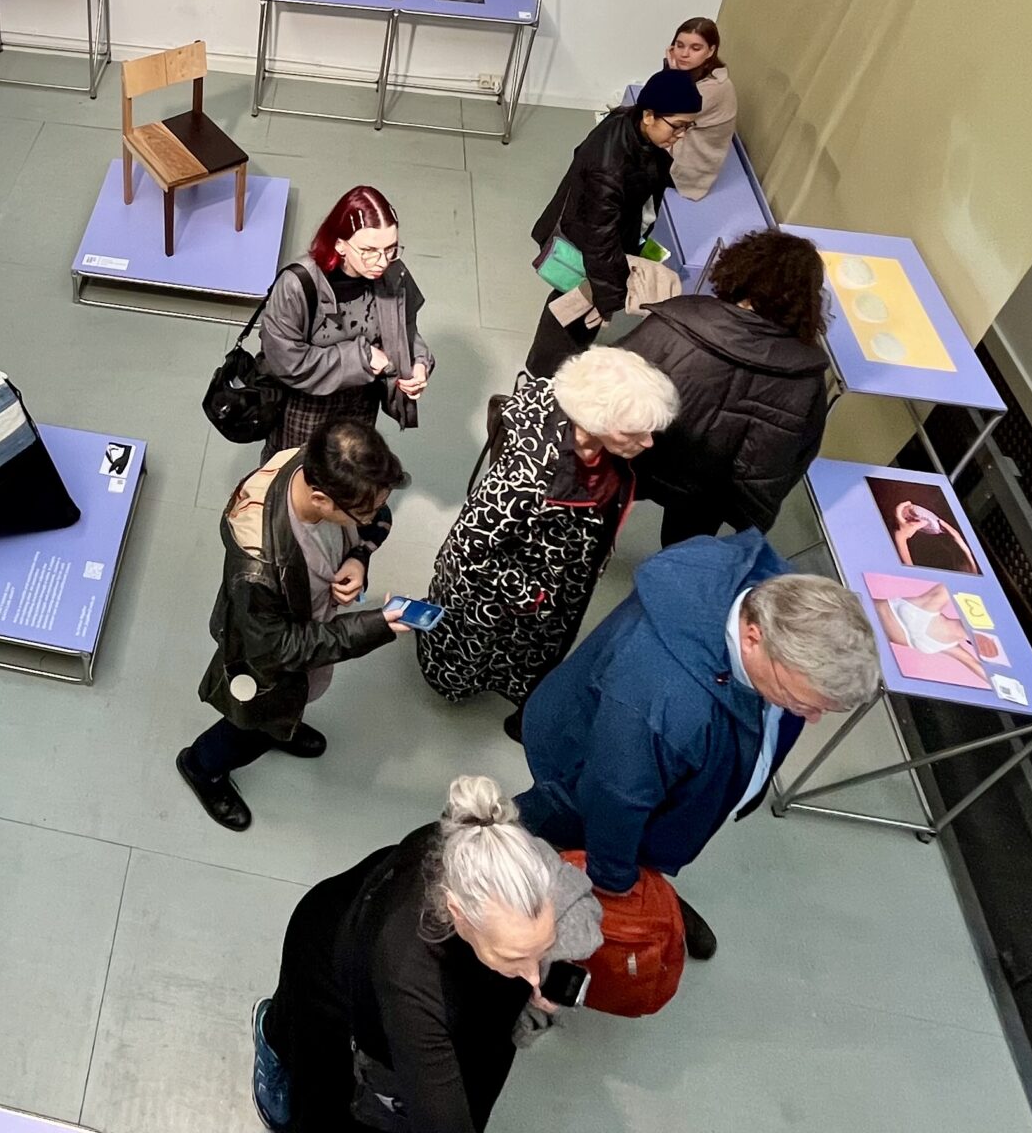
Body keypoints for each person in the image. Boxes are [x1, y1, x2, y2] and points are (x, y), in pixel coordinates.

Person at [514, 532, 879, 961]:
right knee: (561, 826)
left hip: (643, 757)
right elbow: (617, 795)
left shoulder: (774, 593)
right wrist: (615, 885)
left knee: (639, 824)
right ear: (753, 638)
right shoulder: (662, 703)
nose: (810, 717)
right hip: (589, 770)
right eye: (799, 701)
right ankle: (526, 868)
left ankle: (644, 877)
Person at [252, 775, 565, 1133]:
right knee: (328, 1102)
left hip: (377, 908)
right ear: (457, 912)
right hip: (329, 966)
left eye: (542, 948)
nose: (535, 976)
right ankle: (273, 1038)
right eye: (515, 957)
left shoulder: (511, 860)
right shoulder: (409, 975)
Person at [417, 349, 681, 739]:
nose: (648, 442)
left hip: (561, 577)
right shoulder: (528, 480)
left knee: (532, 649)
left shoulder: (575, 415)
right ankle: (457, 682)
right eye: (634, 432)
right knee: (481, 647)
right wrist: (530, 596)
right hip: (518, 594)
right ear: (594, 422)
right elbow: (467, 549)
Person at [179, 420, 414, 833]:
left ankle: (281, 727)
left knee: (285, 706)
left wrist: (358, 555)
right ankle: (203, 765)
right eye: (363, 512)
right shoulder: (257, 566)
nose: (376, 513)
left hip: (307, 621)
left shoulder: (316, 462)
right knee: (249, 722)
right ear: (321, 500)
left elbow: (376, 517)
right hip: (268, 654)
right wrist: (374, 625)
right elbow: (278, 649)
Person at [616, 227, 831, 546]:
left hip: (640, 458)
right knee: (685, 551)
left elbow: (608, 383)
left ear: (739, 269)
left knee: (605, 519)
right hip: (709, 493)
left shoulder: (675, 322)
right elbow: (794, 455)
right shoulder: (806, 380)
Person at [523, 70, 704, 379]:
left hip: (605, 242)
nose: (682, 135)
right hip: (588, 250)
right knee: (571, 311)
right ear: (649, 115)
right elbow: (599, 238)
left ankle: (548, 375)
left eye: (689, 126)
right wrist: (611, 297)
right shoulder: (609, 165)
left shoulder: (630, 128)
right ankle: (538, 382)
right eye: (677, 126)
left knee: (575, 314)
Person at [256, 187, 434, 458]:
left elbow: (405, 327)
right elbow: (286, 361)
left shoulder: (393, 274)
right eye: (368, 250)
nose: (382, 261)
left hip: (363, 399)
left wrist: (418, 362)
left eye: (391, 249)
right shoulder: (298, 284)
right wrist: (361, 358)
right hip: (306, 404)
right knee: (296, 470)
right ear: (339, 244)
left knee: (350, 469)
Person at [657, 19, 737, 202]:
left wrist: (671, 73)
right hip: (677, 142)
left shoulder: (713, 88)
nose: (684, 54)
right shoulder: (693, 73)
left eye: (695, 48)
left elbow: (662, 111)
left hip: (687, 166)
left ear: (710, 51)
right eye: (679, 45)